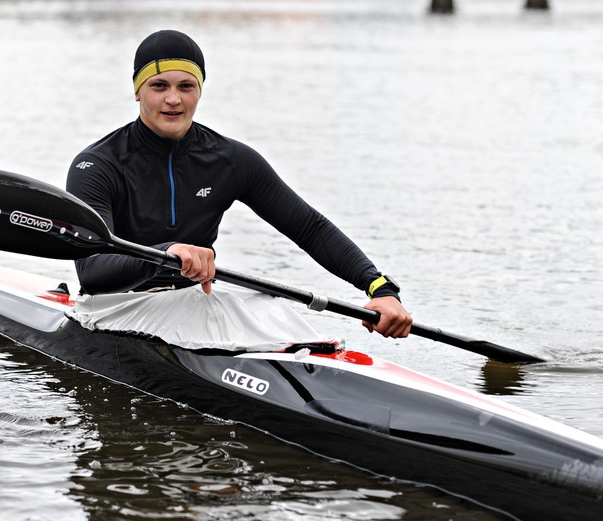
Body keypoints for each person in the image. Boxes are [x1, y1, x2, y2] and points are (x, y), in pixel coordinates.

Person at [67, 29, 412, 339]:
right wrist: (166, 254)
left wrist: (379, 288)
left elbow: (309, 228)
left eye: (186, 86)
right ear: (137, 92)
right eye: (159, 86)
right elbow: (92, 271)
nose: (173, 99)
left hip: (193, 301)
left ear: (199, 91)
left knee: (276, 310)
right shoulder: (97, 165)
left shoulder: (230, 160)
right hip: (114, 306)